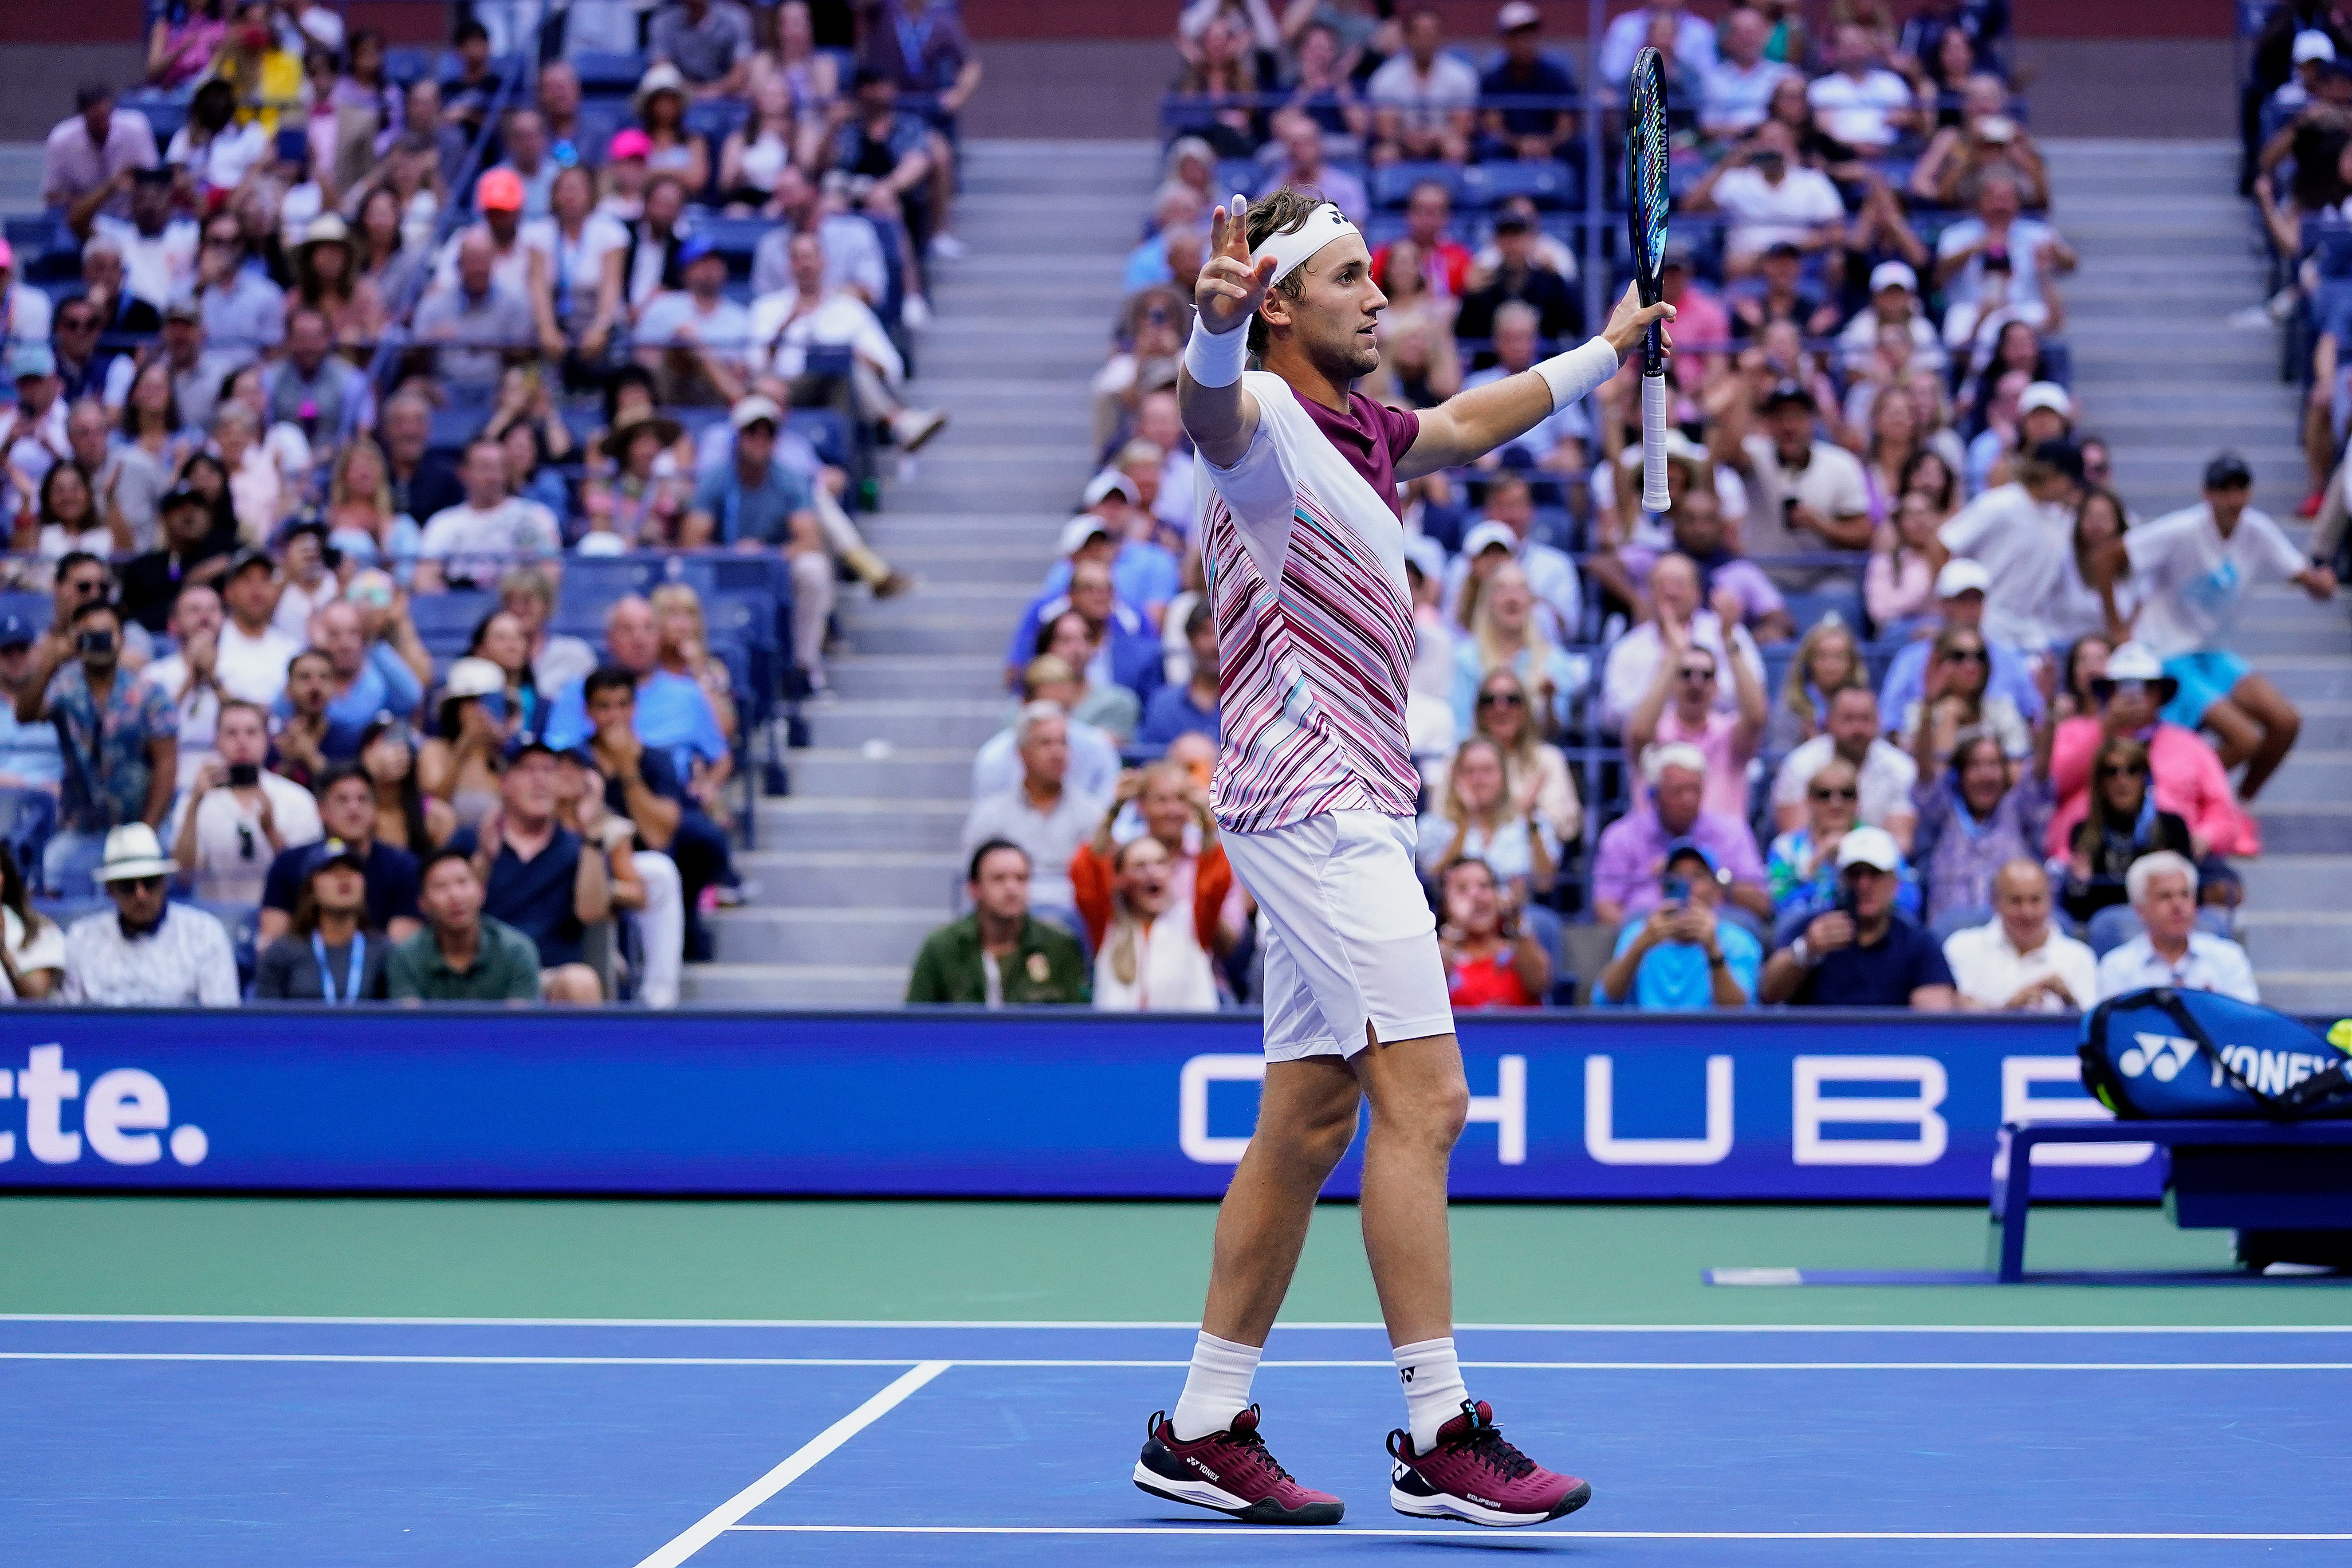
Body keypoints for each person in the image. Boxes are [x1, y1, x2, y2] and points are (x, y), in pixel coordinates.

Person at [1141, 188, 1667, 1525]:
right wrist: (1208, 338)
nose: (1381, 297)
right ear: (1281, 305)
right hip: (1314, 800)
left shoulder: (1365, 432)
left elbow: (1474, 418)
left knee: (1311, 1115)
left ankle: (1203, 1420)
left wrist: (1606, 350)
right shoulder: (1259, 424)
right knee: (1428, 1101)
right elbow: (1209, 414)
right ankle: (1441, 1427)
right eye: (1352, 279)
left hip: (1344, 798)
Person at [2127, 453, 2336, 801]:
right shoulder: (2182, 529)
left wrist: (2323, 584)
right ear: (2207, 493)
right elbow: (2115, 556)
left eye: (2240, 489)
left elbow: (2304, 578)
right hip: (2168, 653)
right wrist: (2118, 627)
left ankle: (2238, 803)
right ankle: (2170, 795)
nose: (2233, 499)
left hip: (2213, 652)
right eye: (2224, 489)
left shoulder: (2258, 529)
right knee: (2246, 739)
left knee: (2285, 722)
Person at [2045, 641, 2258, 867]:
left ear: (2159, 694)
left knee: (2222, 886)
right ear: (2109, 693)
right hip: (2089, 865)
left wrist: (2204, 838)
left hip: (2173, 864)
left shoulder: (2191, 745)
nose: (2134, 697)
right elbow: (2051, 787)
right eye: (2123, 687)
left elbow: (2222, 809)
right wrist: (2105, 730)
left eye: (2144, 688)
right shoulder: (2072, 733)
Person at [17, 597, 176, 897]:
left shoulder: (150, 693)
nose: (102, 640)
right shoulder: (65, 688)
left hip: (139, 821)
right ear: (77, 639)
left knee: (148, 882)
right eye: (91, 634)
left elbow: (166, 766)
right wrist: (51, 663)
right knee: (53, 866)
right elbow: (25, 714)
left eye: (109, 633)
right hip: (82, 827)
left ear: (122, 639)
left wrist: (147, 828)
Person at [455, 738, 611, 1004]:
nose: (540, 781)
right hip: (489, 974)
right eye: (528, 769)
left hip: (551, 976)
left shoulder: (579, 848)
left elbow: (592, 913)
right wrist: (484, 860)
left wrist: (592, 836)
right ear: (505, 783)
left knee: (582, 982)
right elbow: (455, 916)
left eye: (549, 770)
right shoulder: (472, 841)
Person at [1758, 826, 1959, 1009]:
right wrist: (1807, 950)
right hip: (1817, 1044)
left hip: (1890, 1045)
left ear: (1894, 882)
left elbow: (1935, 1017)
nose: (1864, 885)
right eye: (1855, 874)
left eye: (1875, 874)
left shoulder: (1917, 943)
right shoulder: (1810, 929)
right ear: (1841, 880)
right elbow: (1769, 994)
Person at [60, 823, 239, 1005]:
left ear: (164, 883)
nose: (141, 895)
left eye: (150, 882)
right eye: (128, 885)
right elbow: (70, 1023)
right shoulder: (82, 938)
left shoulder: (204, 934)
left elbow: (222, 1022)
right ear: (110, 890)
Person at [169, 699, 323, 906]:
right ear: (216, 740)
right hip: (217, 919)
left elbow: (308, 879)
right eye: (232, 733)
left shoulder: (298, 799)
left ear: (267, 740)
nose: (242, 742)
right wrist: (195, 804)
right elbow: (183, 876)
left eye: (251, 733)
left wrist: (271, 831)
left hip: (280, 920)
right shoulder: (194, 800)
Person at [960, 701, 1102, 920]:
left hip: (1074, 923)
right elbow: (975, 883)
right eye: (1046, 743)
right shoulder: (990, 816)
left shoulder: (1092, 813)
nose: (1057, 753)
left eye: (1063, 743)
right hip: (1006, 920)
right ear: (1022, 754)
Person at [906, 839, 1090, 1005]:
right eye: (999, 879)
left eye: (1021, 879)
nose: (1012, 889)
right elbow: (914, 1024)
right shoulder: (942, 948)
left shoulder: (1059, 945)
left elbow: (1077, 1026)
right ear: (974, 889)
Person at [1624, 615, 1766, 823]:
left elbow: (1756, 718)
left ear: (1717, 687)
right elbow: (1638, 734)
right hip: (1659, 848)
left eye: (1706, 675)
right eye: (1686, 674)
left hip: (1721, 848)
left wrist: (1729, 640)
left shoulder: (1729, 733)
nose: (1696, 683)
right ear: (1672, 682)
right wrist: (1674, 656)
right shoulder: (1656, 731)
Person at [1594, 838, 1761, 1008]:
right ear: (1663, 888)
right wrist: (1639, 948)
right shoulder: (1637, 934)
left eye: (1698, 876)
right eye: (1677, 876)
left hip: (1708, 1035)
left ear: (1716, 890)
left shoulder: (1739, 941)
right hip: (1650, 1033)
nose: (1687, 885)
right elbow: (1605, 1001)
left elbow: (1740, 1013)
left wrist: (1713, 949)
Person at [2094, 852, 2259, 1002]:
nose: (2178, 905)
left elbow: (2248, 1026)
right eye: (2165, 897)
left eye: (2185, 894)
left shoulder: (2229, 957)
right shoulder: (2117, 967)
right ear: (2140, 910)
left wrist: (2215, 1010)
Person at [387, 846, 544, 1003]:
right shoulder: (405, 958)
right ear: (423, 905)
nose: (455, 896)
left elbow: (520, 1023)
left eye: (463, 882)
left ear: (481, 892)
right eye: (441, 886)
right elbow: (410, 1023)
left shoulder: (518, 951)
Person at [1770, 686, 1919, 851]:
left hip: (1875, 869)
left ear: (1879, 721)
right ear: (1829, 721)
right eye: (1849, 719)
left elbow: (1900, 846)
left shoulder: (1901, 768)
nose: (1858, 729)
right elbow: (1794, 842)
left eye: (1865, 719)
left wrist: (1852, 851)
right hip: (1812, 864)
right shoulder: (1799, 764)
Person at [1944, 859, 2096, 1013]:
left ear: (2051, 901)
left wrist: (2069, 1001)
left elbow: (2091, 1030)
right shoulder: (1961, 949)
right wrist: (2010, 1009)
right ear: (1995, 903)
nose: (2027, 913)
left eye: (2036, 900)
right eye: (2016, 901)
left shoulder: (2080, 958)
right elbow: (1950, 1017)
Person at [252, 837, 392, 1001]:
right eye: (332, 871)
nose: (344, 878)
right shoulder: (282, 953)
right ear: (311, 888)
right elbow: (266, 1019)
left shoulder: (385, 953)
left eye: (352, 871)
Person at [415, 438, 563, 592]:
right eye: (484, 468)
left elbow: (550, 573)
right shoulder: (443, 523)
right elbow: (424, 578)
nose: (492, 476)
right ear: (464, 473)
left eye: (499, 468)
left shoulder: (534, 517)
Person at [1092, 835, 1220, 1012]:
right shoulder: (1107, 923)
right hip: (1119, 1037)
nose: (1153, 872)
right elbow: (1087, 875)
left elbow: (1217, 879)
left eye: (1161, 863)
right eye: (1140, 866)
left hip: (1185, 1036)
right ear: (1120, 877)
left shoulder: (1192, 920)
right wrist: (1114, 814)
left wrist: (1205, 820)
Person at [1434, 856, 1549, 1010]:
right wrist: (1456, 925)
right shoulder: (1438, 955)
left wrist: (1516, 920)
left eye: (1484, 886)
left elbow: (1540, 984)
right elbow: (1427, 993)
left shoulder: (1519, 949)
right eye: (1462, 889)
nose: (1476, 896)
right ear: (1445, 904)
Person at [45, 83, 160, 222]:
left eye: (106, 116)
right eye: (96, 119)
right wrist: (108, 189)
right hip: (84, 222)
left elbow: (155, 181)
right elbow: (53, 195)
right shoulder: (61, 139)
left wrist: (135, 179)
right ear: (83, 117)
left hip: (132, 218)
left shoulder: (136, 127)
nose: (103, 124)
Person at [1766, 615, 1866, 751]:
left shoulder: (1862, 704)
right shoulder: (1791, 705)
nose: (1830, 666)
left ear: (1852, 663)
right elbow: (1777, 759)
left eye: (1839, 657)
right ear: (1808, 662)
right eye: (1822, 656)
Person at [1137, 599, 1222, 747]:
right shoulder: (1163, 705)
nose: (1215, 644)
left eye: (1222, 634)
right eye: (1206, 633)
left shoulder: (1251, 704)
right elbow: (1147, 761)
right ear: (1190, 640)